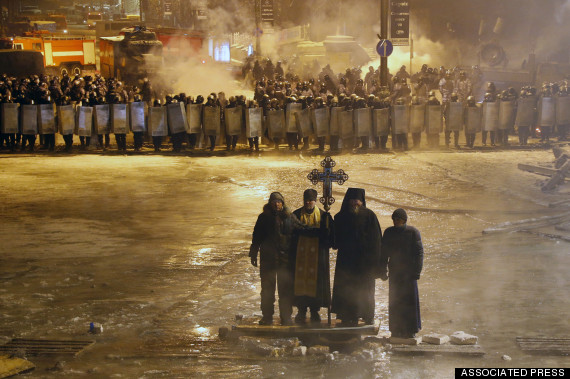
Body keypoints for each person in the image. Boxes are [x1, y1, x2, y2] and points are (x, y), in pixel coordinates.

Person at [331, 188, 382, 326]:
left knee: (365, 291)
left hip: (365, 263)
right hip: (346, 262)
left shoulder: (370, 216)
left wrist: (376, 264)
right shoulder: (340, 217)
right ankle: (348, 316)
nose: (355, 203)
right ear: (348, 201)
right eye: (352, 200)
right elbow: (334, 241)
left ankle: (367, 316)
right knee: (347, 290)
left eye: (357, 200)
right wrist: (327, 224)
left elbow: (377, 241)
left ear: (362, 201)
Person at [249, 192, 302, 326]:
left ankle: (286, 317)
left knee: (285, 290)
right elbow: (257, 237)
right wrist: (253, 253)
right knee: (267, 290)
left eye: (279, 202)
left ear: (282, 204)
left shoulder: (290, 217)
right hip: (268, 260)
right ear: (270, 204)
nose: (276, 204)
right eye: (274, 202)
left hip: (285, 260)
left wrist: (319, 230)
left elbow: (302, 229)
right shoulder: (263, 218)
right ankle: (267, 317)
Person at [291, 189, 334, 324]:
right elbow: (291, 233)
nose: (308, 202)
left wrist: (327, 232)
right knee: (300, 283)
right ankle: (301, 311)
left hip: (317, 256)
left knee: (316, 284)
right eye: (306, 200)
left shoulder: (323, 216)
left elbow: (330, 236)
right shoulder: (296, 214)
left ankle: (315, 311)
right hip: (300, 256)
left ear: (315, 201)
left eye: (311, 200)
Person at [379, 209, 424, 339]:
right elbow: (384, 253)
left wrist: (417, 271)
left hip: (409, 273)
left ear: (404, 220)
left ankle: (411, 329)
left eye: (398, 219)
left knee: (410, 301)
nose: (395, 222)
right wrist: (382, 270)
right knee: (395, 301)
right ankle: (396, 329)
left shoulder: (413, 232)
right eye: (394, 219)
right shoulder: (388, 232)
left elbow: (419, 253)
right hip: (395, 272)